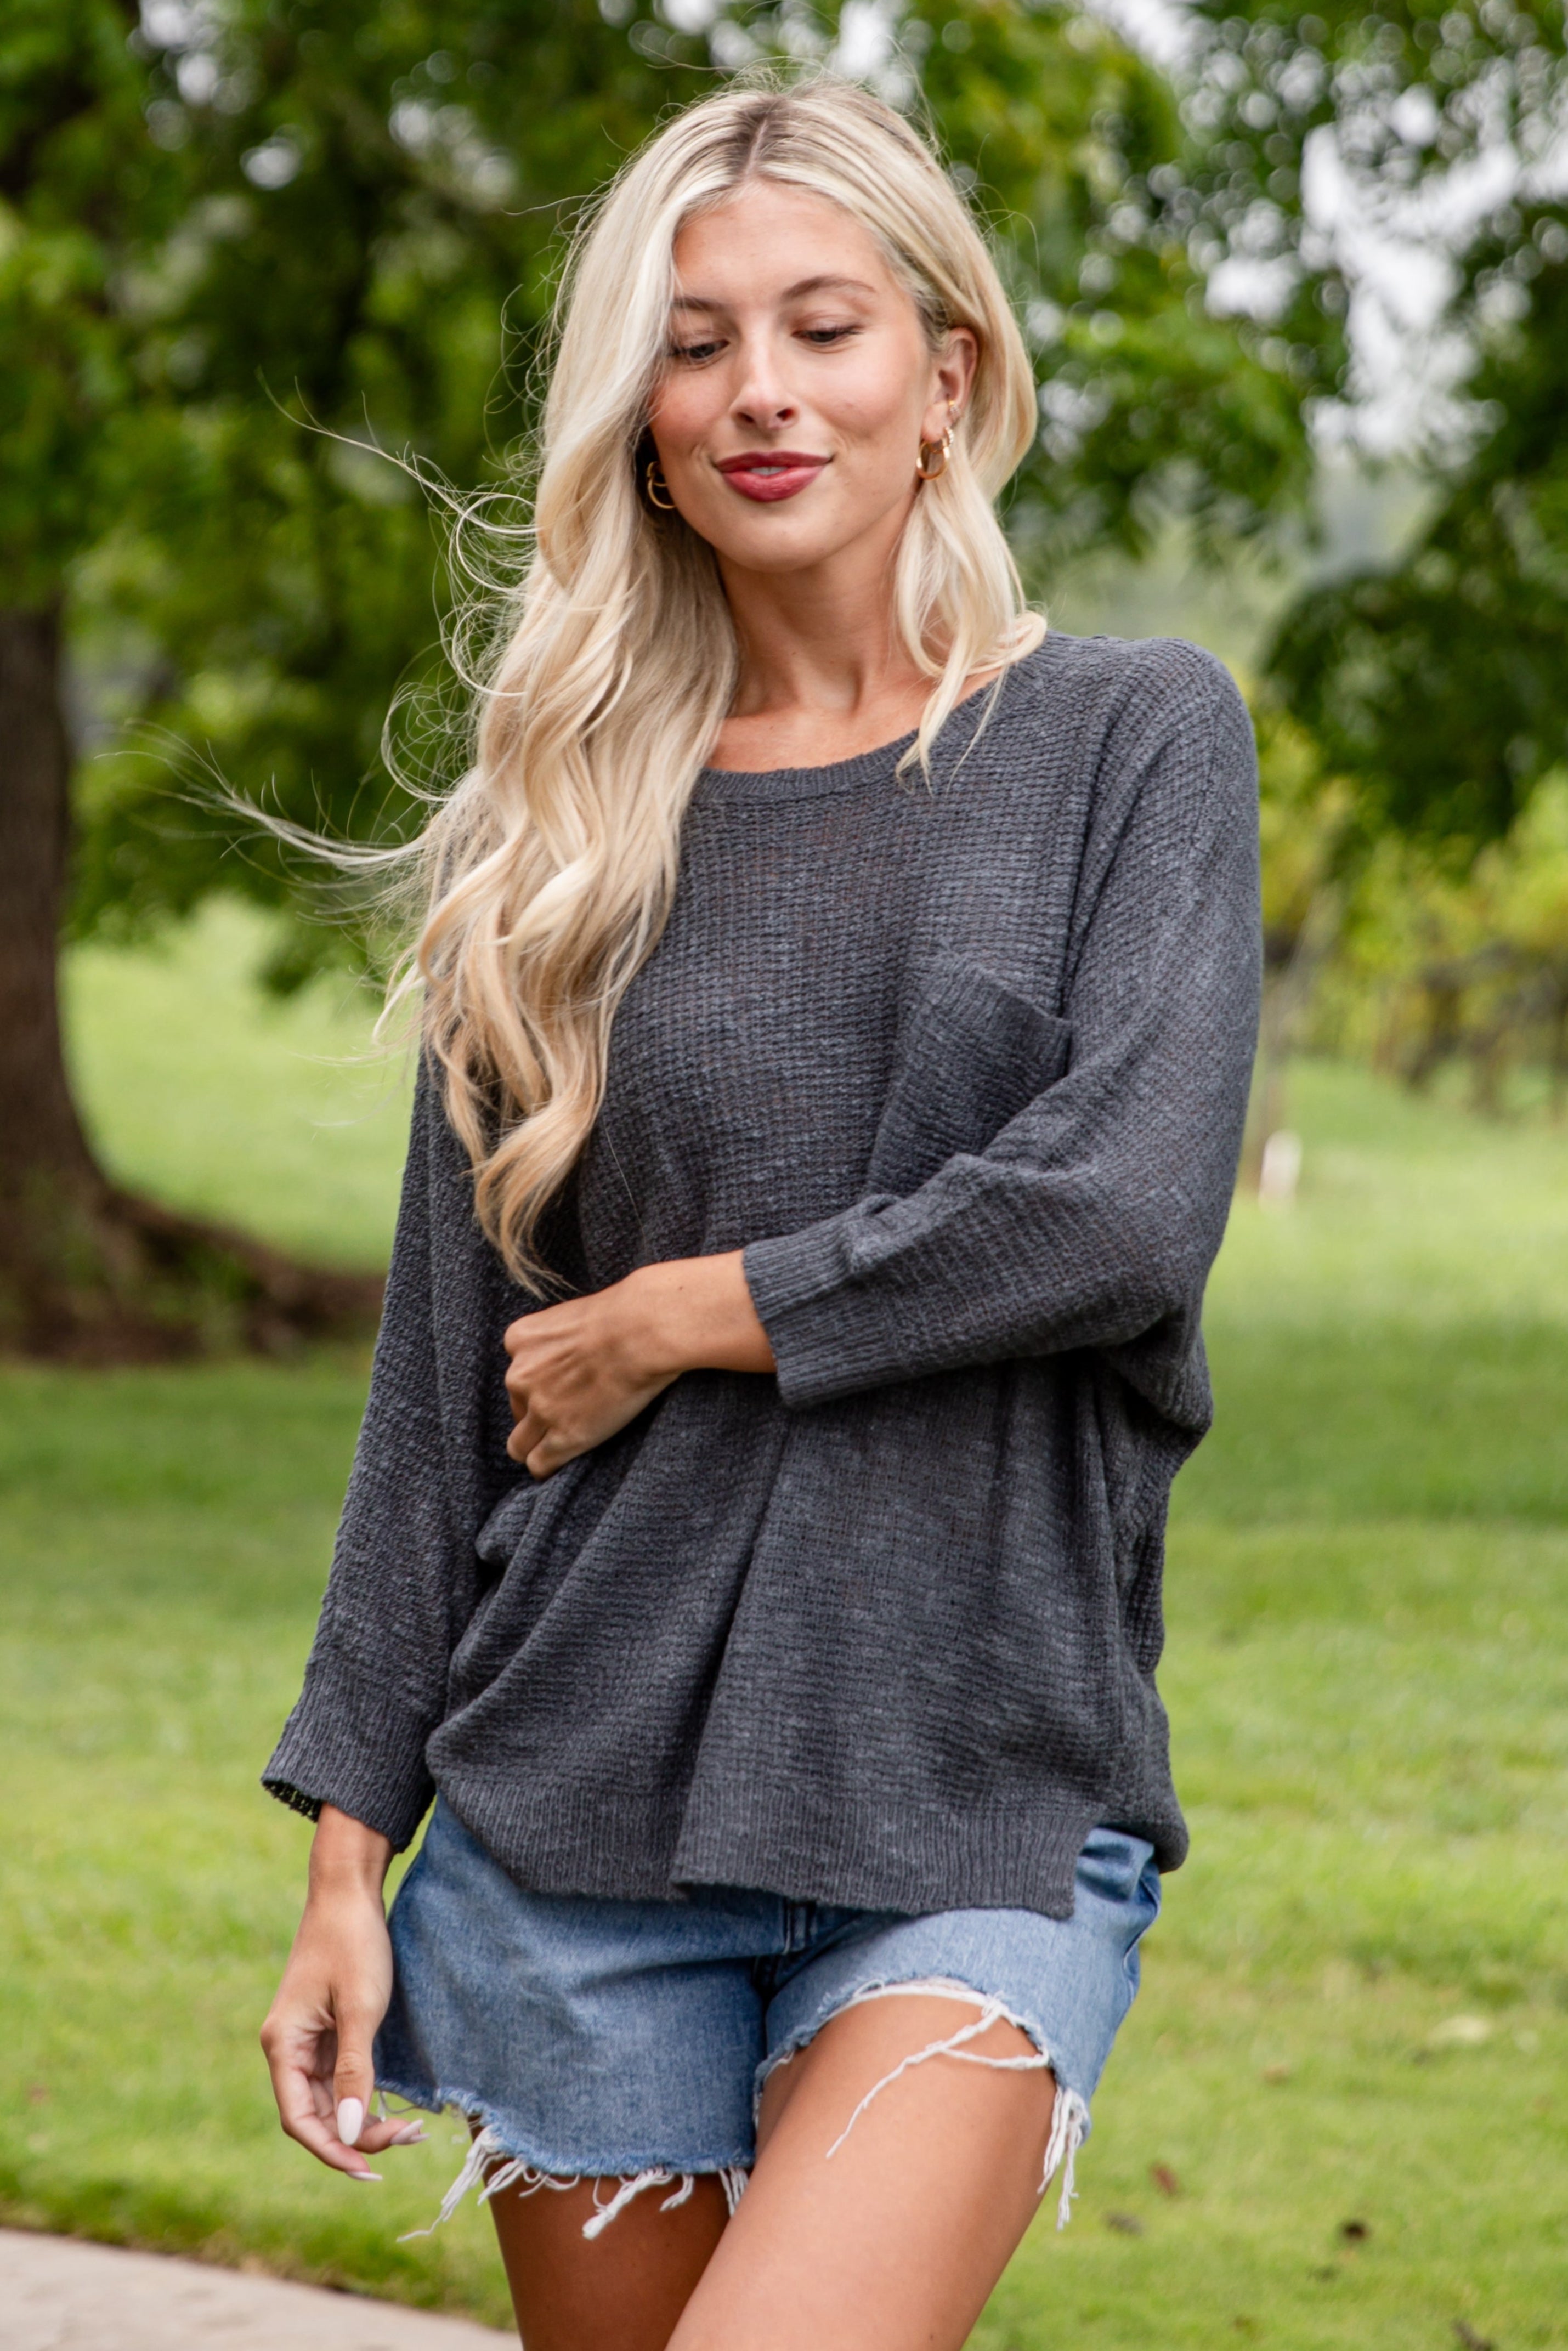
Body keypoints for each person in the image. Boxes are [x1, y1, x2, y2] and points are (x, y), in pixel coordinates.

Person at [259, 72, 1261, 2351]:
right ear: (637, 414)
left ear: (949, 376)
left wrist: (693, 1310)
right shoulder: (562, 840)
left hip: (976, 1792)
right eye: (695, 343)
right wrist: (345, 1855)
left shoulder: (1129, 743)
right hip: (570, 1824)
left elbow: (1115, 1214)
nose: (758, 392)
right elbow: (441, 1387)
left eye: (822, 326)